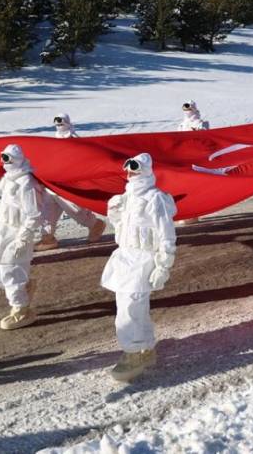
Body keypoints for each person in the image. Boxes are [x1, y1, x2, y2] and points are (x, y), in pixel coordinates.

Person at [101, 153, 177, 382]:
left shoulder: (155, 199)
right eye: (128, 168)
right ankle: (145, 348)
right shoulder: (127, 197)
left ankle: (132, 352)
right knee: (130, 304)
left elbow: (166, 234)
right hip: (125, 257)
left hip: (144, 258)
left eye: (135, 168)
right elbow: (122, 227)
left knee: (130, 306)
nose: (130, 172)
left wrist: (163, 265)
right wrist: (114, 211)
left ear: (145, 170)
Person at [0, 144, 44, 330]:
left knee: (11, 269)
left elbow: (34, 214)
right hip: (1, 229)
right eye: (2, 158)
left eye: (7, 158)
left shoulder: (27, 183)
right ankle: (23, 288)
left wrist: (24, 237)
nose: (4, 162)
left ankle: (21, 310)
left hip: (17, 232)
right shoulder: (9, 178)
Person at [36, 114, 108, 251]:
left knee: (74, 209)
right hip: (52, 183)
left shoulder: (76, 141)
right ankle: (47, 238)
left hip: (69, 184)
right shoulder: (52, 142)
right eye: (57, 123)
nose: (59, 125)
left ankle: (95, 224)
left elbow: (83, 161)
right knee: (47, 210)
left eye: (61, 122)